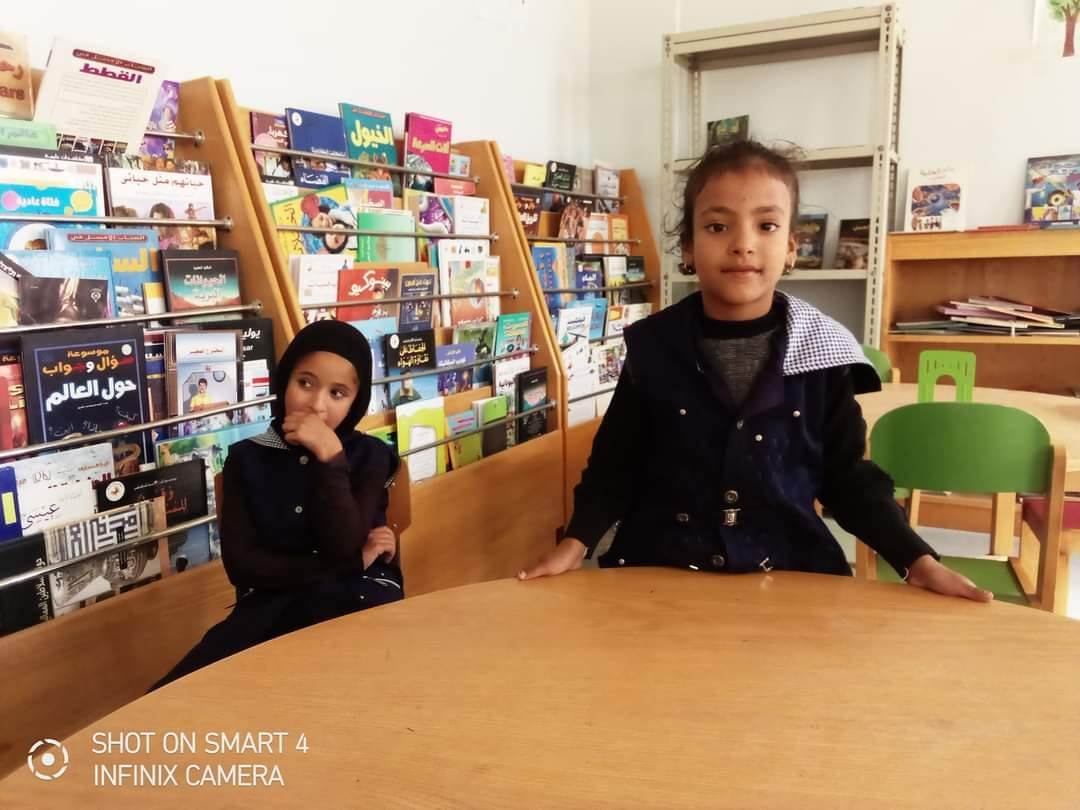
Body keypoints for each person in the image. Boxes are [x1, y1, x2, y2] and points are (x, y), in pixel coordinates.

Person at [520, 139, 992, 603]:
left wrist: (916, 560)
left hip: (789, 575)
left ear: (791, 248)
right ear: (688, 248)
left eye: (766, 226)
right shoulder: (653, 347)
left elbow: (848, 478)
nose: (743, 245)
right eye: (718, 227)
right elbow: (615, 464)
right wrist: (575, 543)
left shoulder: (823, 351)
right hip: (661, 575)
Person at [151, 321, 403, 689]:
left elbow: (344, 547)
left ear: (356, 401)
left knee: (357, 687)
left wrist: (330, 457)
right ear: (284, 381)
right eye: (305, 383)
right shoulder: (246, 459)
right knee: (177, 693)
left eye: (337, 393)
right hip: (271, 608)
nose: (317, 405)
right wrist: (350, 564)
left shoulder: (371, 456)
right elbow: (245, 569)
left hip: (359, 600)